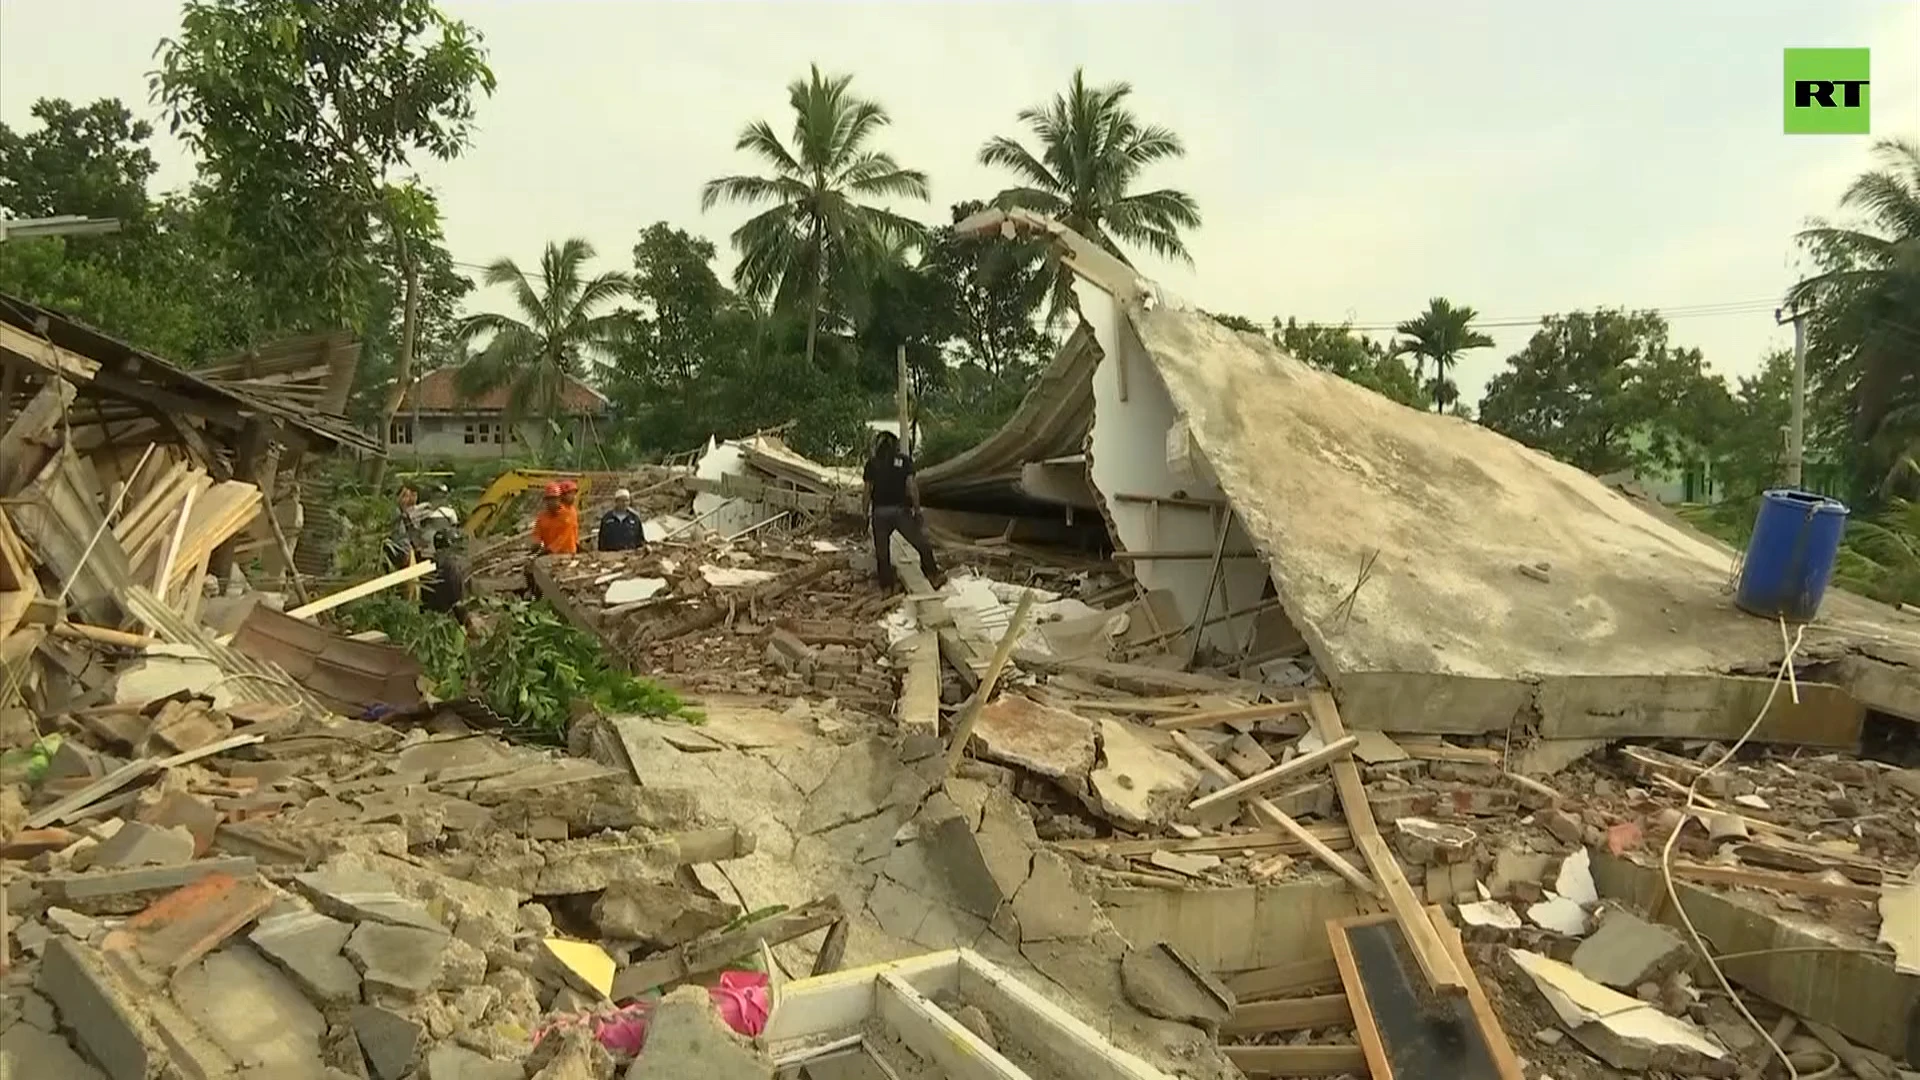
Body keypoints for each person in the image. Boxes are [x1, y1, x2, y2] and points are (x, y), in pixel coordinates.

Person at [862, 431, 943, 592]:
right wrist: (917, 509)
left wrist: (864, 513)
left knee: (882, 553)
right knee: (921, 543)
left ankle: (886, 588)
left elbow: (867, 492)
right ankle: (933, 576)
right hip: (900, 511)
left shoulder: (872, 464)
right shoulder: (904, 461)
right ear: (896, 446)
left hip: (879, 513)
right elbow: (911, 487)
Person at [422, 530, 469, 627]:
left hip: (427, 615)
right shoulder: (453, 566)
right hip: (446, 618)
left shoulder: (426, 564)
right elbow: (458, 599)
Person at [384, 484, 423, 573]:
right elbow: (398, 535)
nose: (408, 500)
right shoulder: (395, 513)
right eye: (405, 496)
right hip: (399, 554)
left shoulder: (403, 513)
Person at [532, 482, 579, 555]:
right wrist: (536, 542)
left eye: (554, 499)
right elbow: (537, 532)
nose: (552, 502)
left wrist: (549, 550)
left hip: (567, 553)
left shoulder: (567, 515)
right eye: (549, 499)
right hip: (550, 554)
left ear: (560, 499)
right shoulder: (542, 516)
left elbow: (562, 538)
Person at [597, 488, 645, 552]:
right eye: (622, 501)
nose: (624, 503)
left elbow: (640, 540)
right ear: (616, 501)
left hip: (630, 555)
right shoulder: (607, 519)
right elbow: (602, 540)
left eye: (627, 501)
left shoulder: (635, 518)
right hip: (611, 556)